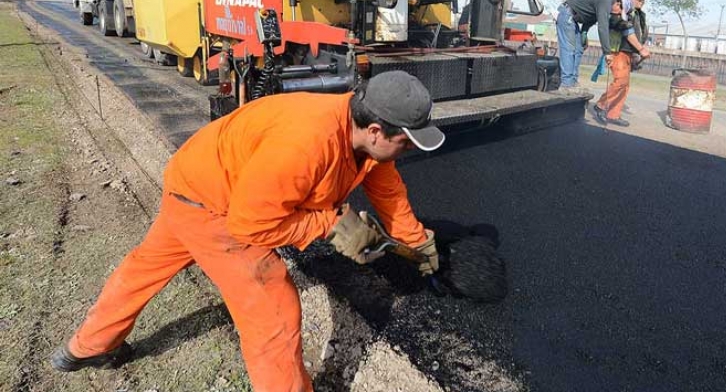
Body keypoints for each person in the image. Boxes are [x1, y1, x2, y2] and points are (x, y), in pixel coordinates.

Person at [51, 71, 444, 392]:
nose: (407, 151)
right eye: (405, 143)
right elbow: (249, 224)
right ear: (375, 130)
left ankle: (87, 347)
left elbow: (388, 191)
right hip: (213, 208)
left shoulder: (362, 133)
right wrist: (330, 225)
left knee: (144, 269)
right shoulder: (307, 144)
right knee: (274, 311)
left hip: (195, 182)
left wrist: (417, 243)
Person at [591, 0, 652, 127]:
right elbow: (626, 30)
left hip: (629, 52)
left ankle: (613, 114)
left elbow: (639, 34)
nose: (641, 2)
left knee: (624, 86)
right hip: (618, 50)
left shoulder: (639, 14)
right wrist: (641, 50)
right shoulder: (621, 10)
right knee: (620, 81)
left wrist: (637, 52)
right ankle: (600, 105)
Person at [556, 0, 619, 88]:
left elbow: (590, 19)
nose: (617, 15)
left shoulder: (605, 3)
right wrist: (607, 52)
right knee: (569, 50)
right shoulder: (607, 1)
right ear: (618, 4)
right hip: (567, 15)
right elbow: (603, 27)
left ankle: (573, 81)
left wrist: (584, 34)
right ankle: (566, 84)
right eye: (619, 13)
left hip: (573, 19)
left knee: (578, 49)